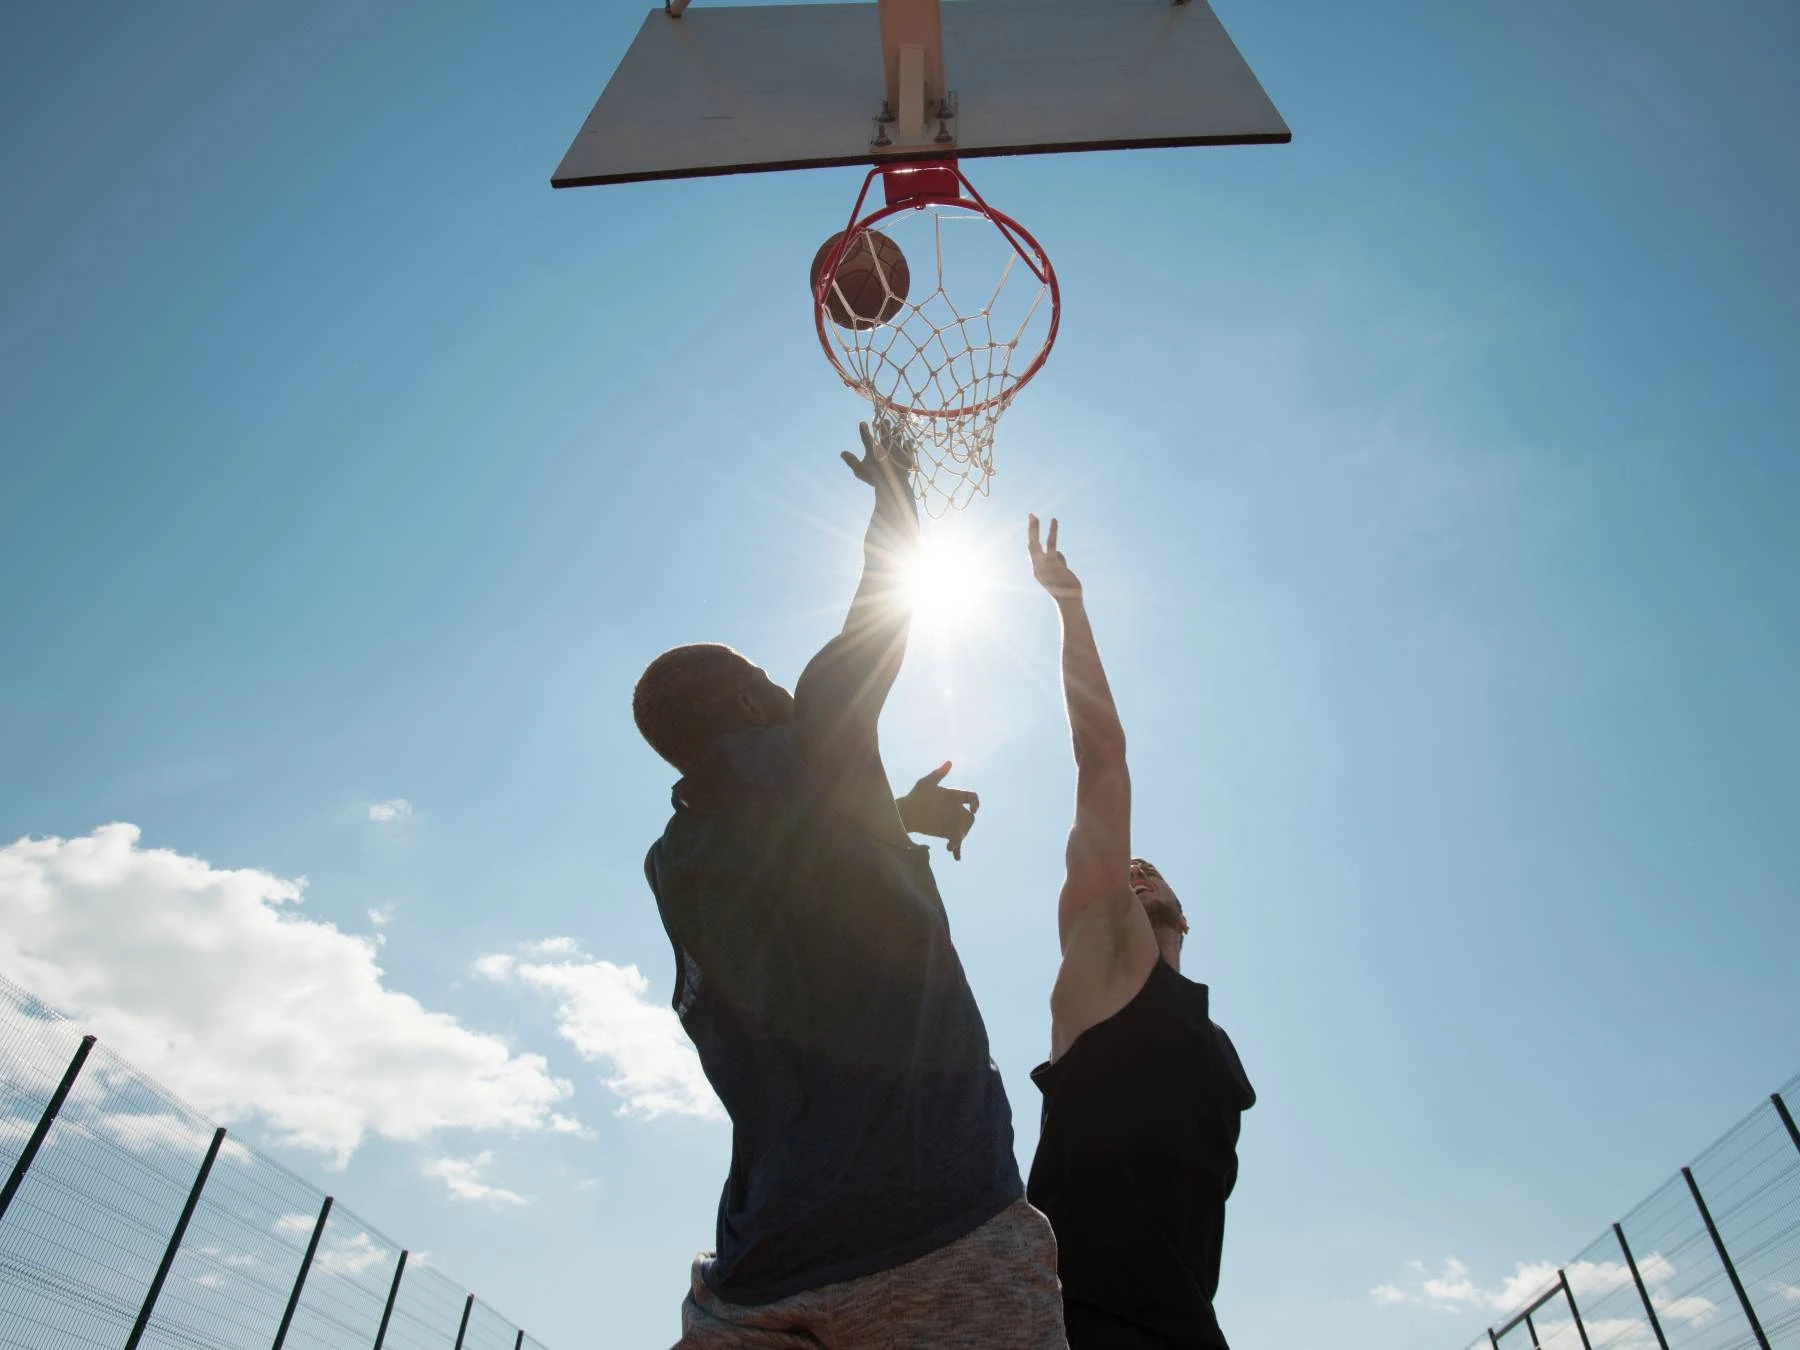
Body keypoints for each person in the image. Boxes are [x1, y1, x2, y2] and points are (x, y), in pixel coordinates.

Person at [635, 425, 1066, 1349]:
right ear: (752, 702)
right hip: (940, 1226)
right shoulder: (812, 735)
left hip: (763, 1273)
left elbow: (790, 871)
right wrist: (895, 493)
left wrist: (889, 816)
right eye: (761, 678)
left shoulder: (672, 863)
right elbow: (878, 613)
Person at [1023, 515, 1256, 1350]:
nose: (1135, 871)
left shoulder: (1213, 1039)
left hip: (1187, 1326)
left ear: (1182, 910)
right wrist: (1070, 609)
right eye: (1127, 871)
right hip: (1079, 1323)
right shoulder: (1102, 957)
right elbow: (1102, 758)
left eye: (1151, 872)